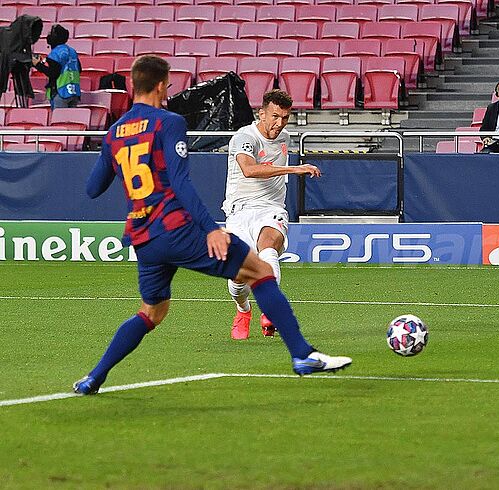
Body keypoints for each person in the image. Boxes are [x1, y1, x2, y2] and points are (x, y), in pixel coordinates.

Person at [73, 56, 351, 395]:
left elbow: (92, 188)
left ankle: (93, 378)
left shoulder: (115, 131)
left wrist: (116, 155)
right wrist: (211, 229)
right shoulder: (169, 122)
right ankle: (302, 355)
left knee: (151, 313)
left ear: (133, 85)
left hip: (143, 237)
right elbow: (180, 183)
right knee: (261, 271)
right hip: (176, 227)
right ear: (160, 86)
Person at [223, 89, 321, 340]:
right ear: (262, 114)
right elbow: (248, 170)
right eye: (275, 116)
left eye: (285, 118)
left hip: (271, 209)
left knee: (269, 245)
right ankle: (243, 310)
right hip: (240, 211)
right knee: (238, 279)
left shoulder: (284, 137)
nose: (280, 123)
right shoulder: (244, 137)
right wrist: (294, 169)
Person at [32, 24, 80, 109]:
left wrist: (37, 65)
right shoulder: (72, 51)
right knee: (72, 117)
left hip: (60, 92)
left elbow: (53, 73)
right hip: (74, 92)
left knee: (59, 117)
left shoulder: (55, 53)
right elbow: (79, 69)